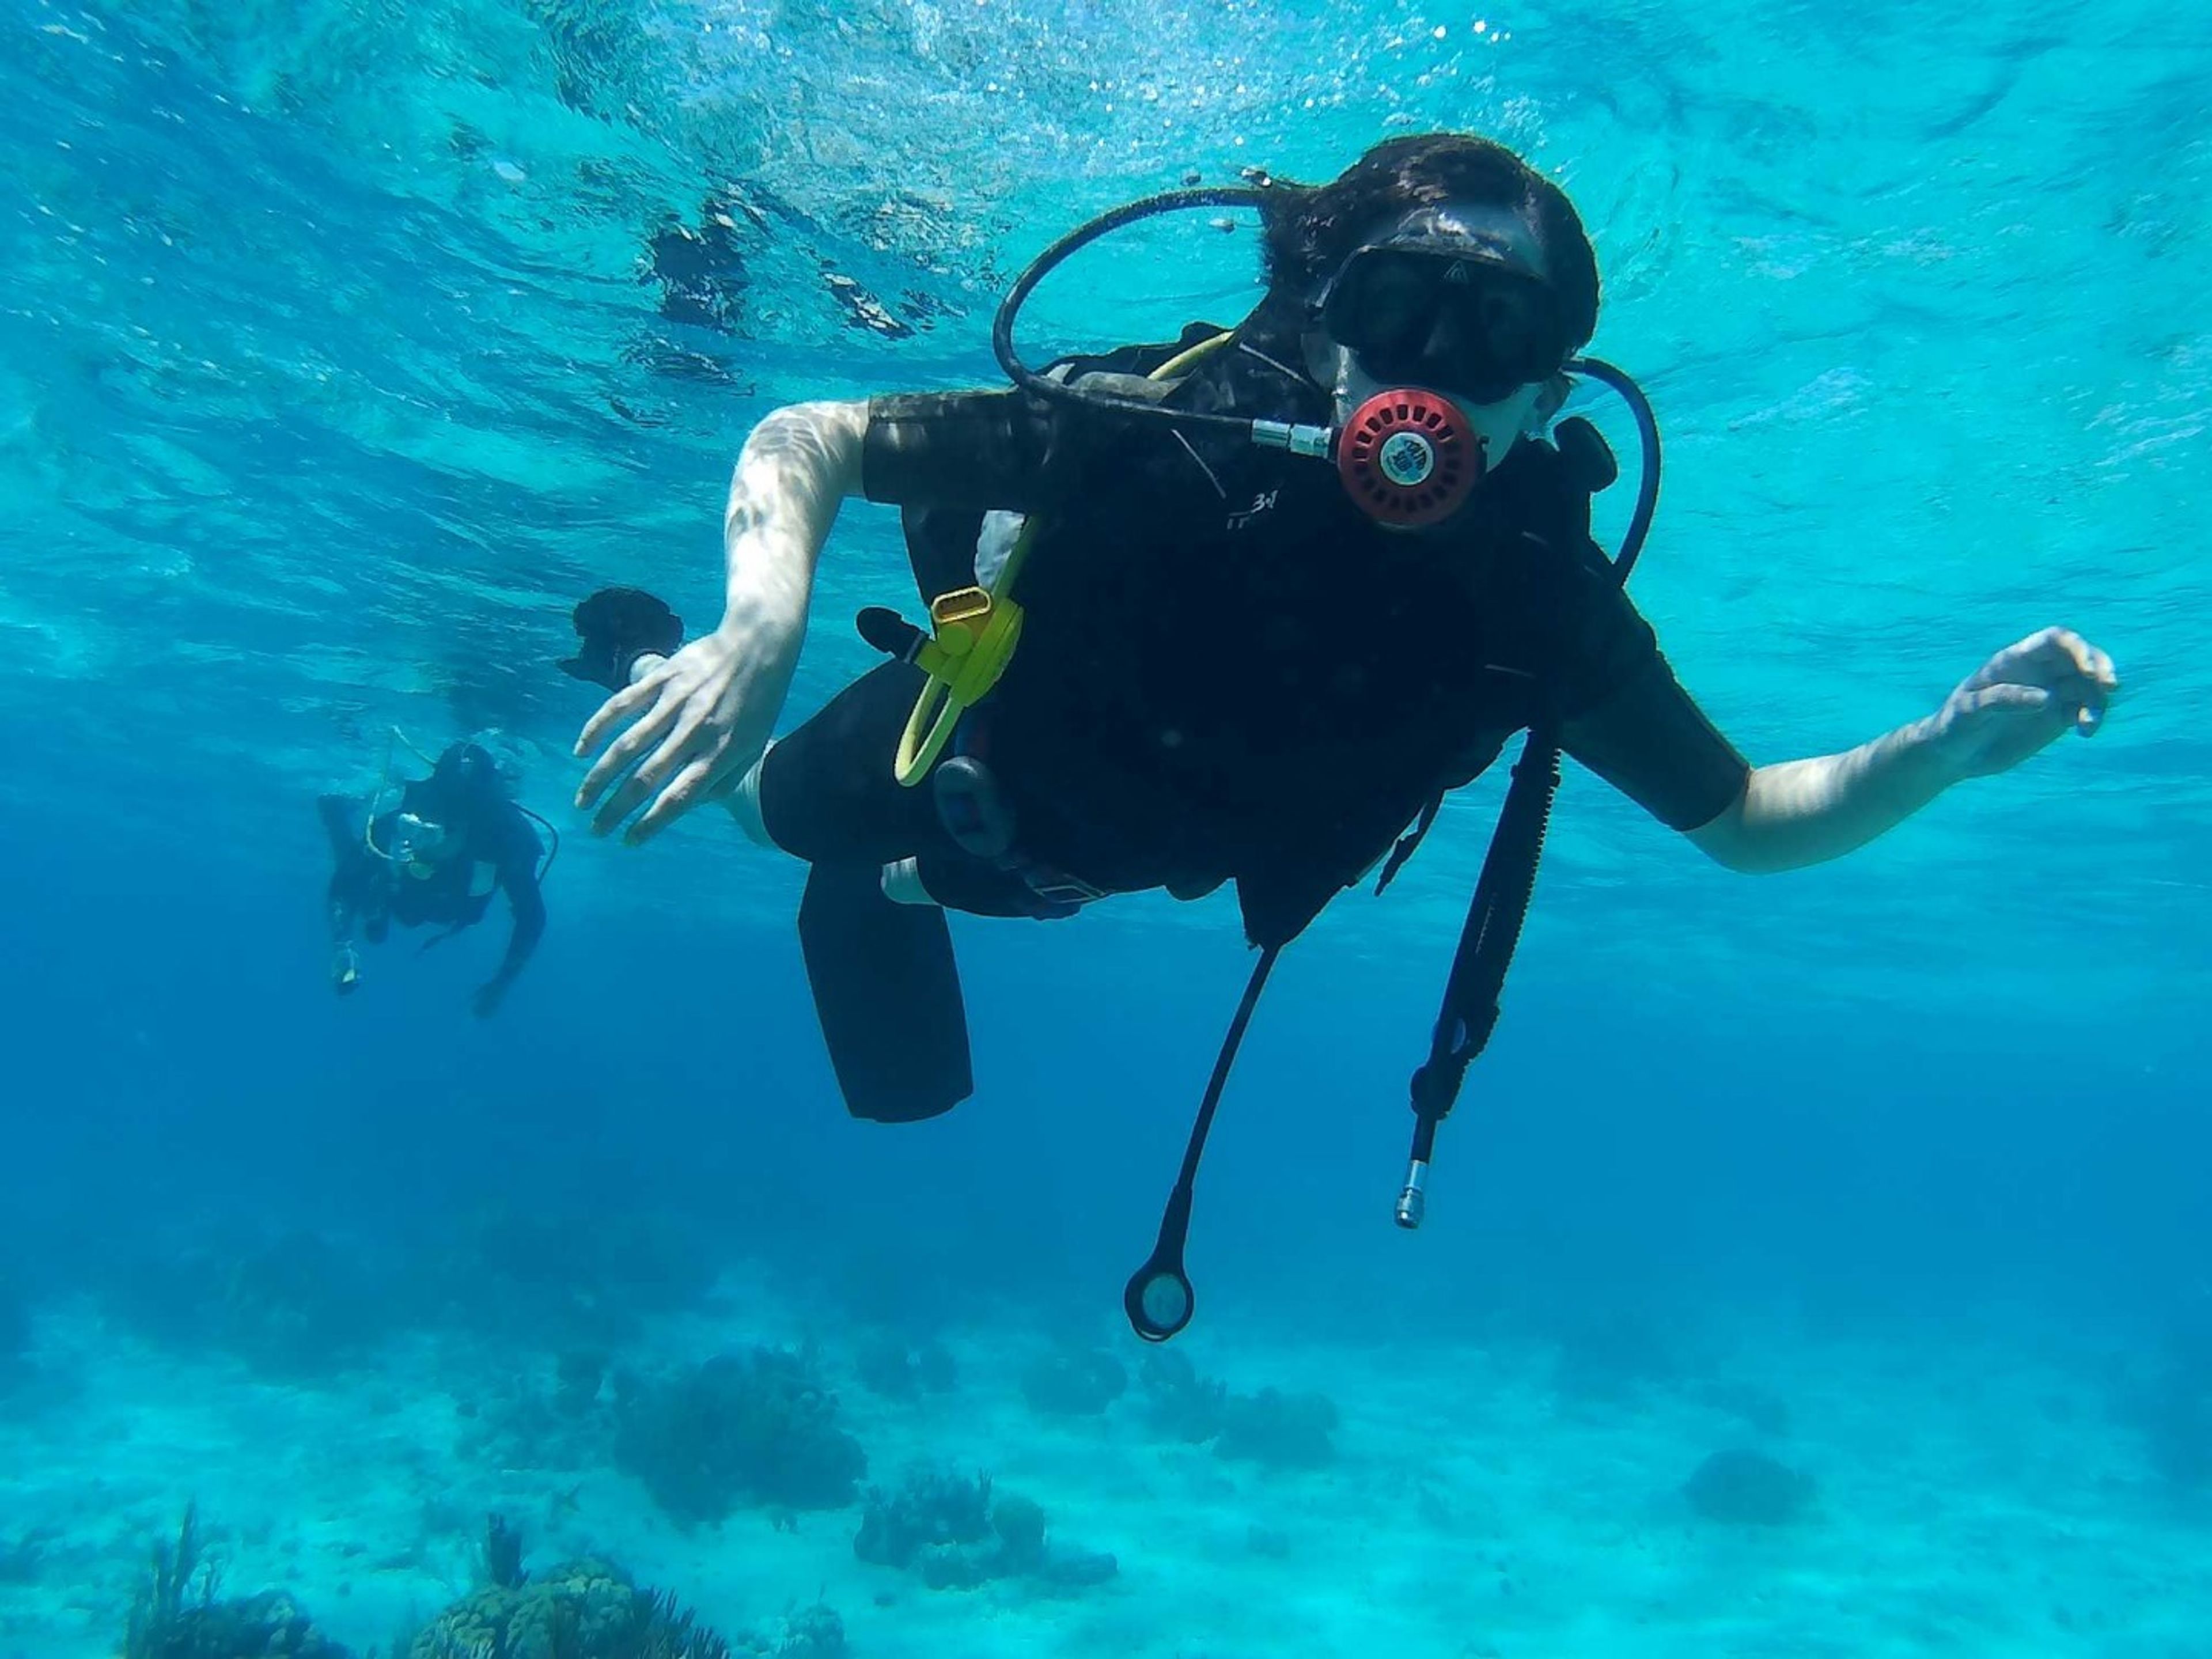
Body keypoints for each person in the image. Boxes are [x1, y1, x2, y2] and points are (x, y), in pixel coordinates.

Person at [562, 132, 2117, 1326]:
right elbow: (811, 436)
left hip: (1090, 857)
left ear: (1549, 387)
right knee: (768, 808)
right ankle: (652, 679)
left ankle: (899, 886)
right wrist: (750, 635)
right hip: (964, 738)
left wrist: (1941, 749)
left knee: (956, 881)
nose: (1429, 376)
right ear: (1322, 319)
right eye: (1396, 308)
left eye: (1488, 336)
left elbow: (1759, 820)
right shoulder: (1169, 444)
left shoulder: (1533, 597)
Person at [319, 740, 550, 1018]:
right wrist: (342, 945)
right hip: (398, 894)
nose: (418, 842)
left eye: (431, 832)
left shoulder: (510, 845)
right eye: (415, 826)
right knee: (367, 892)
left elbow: (531, 917)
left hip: (451, 904)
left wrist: (502, 982)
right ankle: (336, 817)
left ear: (467, 829)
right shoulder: (404, 818)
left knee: (383, 904)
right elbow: (347, 880)